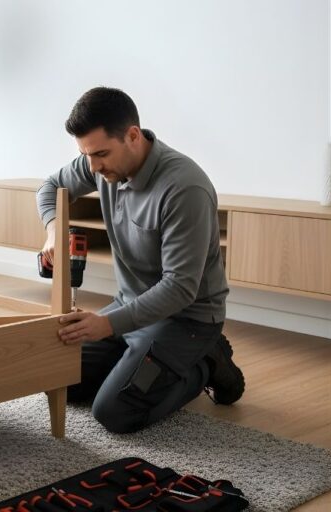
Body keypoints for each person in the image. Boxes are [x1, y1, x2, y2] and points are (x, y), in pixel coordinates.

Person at [37, 86, 245, 433]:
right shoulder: (100, 164)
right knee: (58, 379)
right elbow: (50, 187)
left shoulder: (184, 188)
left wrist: (106, 325)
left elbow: (179, 288)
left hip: (187, 321)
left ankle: (207, 362)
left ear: (133, 135)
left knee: (115, 413)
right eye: (85, 155)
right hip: (130, 307)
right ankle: (137, 361)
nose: (92, 166)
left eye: (100, 153)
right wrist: (53, 231)